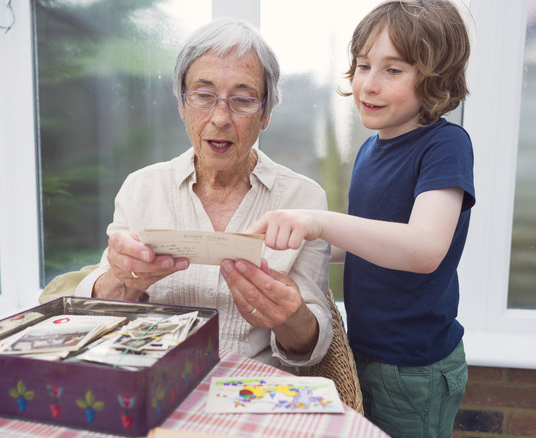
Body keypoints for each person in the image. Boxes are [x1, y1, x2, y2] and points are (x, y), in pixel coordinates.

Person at [246, 1, 474, 436]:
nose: (368, 84)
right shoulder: (372, 149)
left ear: (438, 79)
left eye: (393, 70)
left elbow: (424, 248)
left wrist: (319, 221)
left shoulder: (445, 145)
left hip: (413, 367)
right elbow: (367, 244)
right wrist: (291, 245)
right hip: (363, 350)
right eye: (364, 65)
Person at [74, 18, 333, 373]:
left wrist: (291, 317)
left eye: (242, 100)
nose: (220, 117)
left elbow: (311, 345)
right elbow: (96, 311)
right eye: (203, 95)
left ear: (266, 114)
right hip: (153, 380)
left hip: (251, 392)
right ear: (182, 104)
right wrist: (122, 278)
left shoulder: (304, 200)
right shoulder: (142, 187)